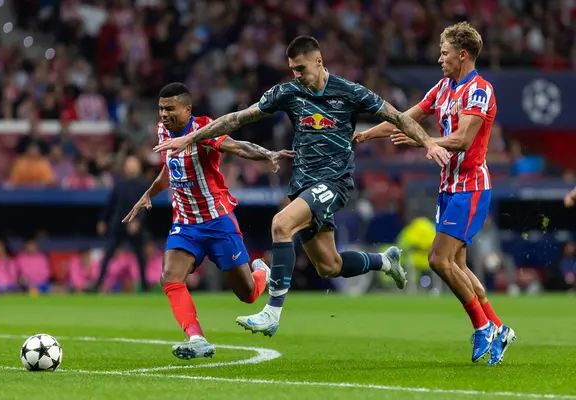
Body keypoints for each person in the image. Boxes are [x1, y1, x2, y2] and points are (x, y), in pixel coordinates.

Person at [153, 36, 450, 337]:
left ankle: (272, 312)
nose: (298, 76)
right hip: (303, 185)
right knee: (329, 265)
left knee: (281, 224)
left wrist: (428, 142)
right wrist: (191, 138)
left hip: (334, 182)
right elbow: (237, 118)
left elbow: (398, 117)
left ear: (319, 61)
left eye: (301, 69)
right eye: (293, 70)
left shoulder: (349, 92)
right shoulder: (288, 92)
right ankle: (385, 261)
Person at [353, 22, 515, 365]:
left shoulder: (479, 90)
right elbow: (402, 118)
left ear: (462, 54)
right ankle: (499, 328)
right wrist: (366, 134)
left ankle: (482, 326)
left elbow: (463, 140)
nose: (439, 59)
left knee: (438, 260)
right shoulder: (442, 88)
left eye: (444, 53)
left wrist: (423, 140)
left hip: (471, 186)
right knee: (457, 264)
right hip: (448, 188)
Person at [123, 82, 295, 360]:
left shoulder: (204, 129)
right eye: (160, 108)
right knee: (169, 277)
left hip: (218, 222)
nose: (164, 114)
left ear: (187, 108)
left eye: (170, 108)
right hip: (185, 225)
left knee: (248, 294)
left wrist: (268, 154)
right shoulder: (162, 131)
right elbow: (170, 169)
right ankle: (197, 338)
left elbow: (237, 147)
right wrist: (148, 193)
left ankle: (262, 271)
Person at [93, 156, 149, 292]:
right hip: (118, 224)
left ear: (139, 168)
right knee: (108, 255)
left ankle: (145, 286)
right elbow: (110, 204)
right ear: (125, 168)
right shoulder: (119, 185)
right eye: (129, 164)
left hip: (135, 226)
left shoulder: (144, 184)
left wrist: (138, 221)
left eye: (134, 164)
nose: (131, 167)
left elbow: (146, 206)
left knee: (140, 256)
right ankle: (98, 284)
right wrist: (103, 220)